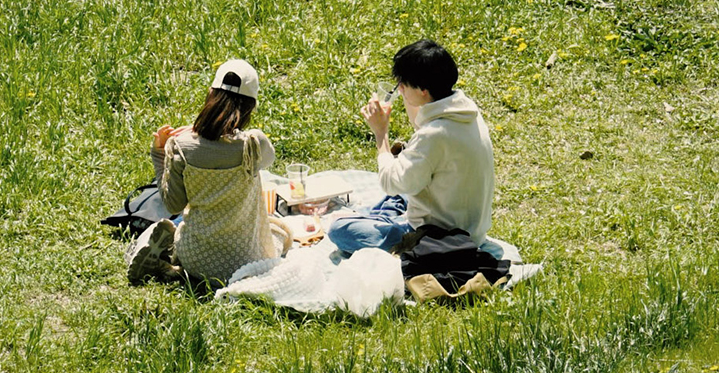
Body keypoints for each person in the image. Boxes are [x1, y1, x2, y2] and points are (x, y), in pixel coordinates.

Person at [126, 59, 291, 285]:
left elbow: (172, 204)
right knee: (280, 232)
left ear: (210, 94)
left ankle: (171, 263)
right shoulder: (254, 144)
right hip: (249, 262)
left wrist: (160, 154)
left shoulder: (182, 146)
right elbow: (268, 159)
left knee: (178, 224)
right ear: (251, 106)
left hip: (196, 259)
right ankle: (172, 265)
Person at [328, 39, 494, 255]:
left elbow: (388, 182)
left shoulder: (433, 137)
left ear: (423, 89)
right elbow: (422, 124)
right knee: (404, 190)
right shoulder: (464, 112)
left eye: (403, 84)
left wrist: (381, 134)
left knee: (340, 230)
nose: (400, 89)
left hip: (439, 240)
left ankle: (384, 215)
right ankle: (385, 213)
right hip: (471, 227)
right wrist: (409, 98)